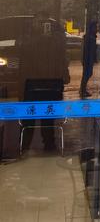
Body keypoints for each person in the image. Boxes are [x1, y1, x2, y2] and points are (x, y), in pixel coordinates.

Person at [18, 15, 70, 153]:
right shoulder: (29, 38)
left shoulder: (54, 38)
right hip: (38, 84)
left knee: (43, 118)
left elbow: (62, 55)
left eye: (46, 24)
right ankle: (31, 146)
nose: (44, 27)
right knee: (35, 118)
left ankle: (40, 145)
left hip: (45, 84)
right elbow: (21, 49)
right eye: (40, 23)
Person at [80, 20, 97, 98]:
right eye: (95, 27)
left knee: (87, 74)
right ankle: (83, 90)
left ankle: (82, 90)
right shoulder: (90, 37)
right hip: (88, 59)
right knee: (87, 74)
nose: (96, 29)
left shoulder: (90, 36)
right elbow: (89, 50)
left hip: (88, 59)